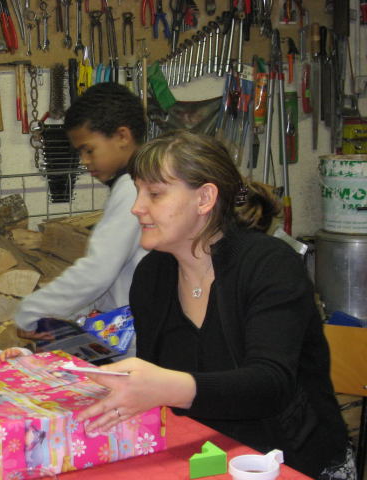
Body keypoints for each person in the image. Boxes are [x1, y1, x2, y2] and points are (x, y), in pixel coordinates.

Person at [78, 131, 355, 480]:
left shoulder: (270, 265)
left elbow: (270, 385)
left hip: (288, 461)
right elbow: (154, 383)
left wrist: (166, 387)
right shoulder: (153, 275)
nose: (137, 207)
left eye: (155, 194)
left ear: (205, 198)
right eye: (137, 192)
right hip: (201, 453)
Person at [15, 83, 148, 340]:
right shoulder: (137, 181)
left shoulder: (132, 188)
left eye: (89, 150)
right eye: (80, 153)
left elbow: (98, 271)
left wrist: (30, 311)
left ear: (122, 136)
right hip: (126, 325)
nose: (84, 161)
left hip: (133, 335)